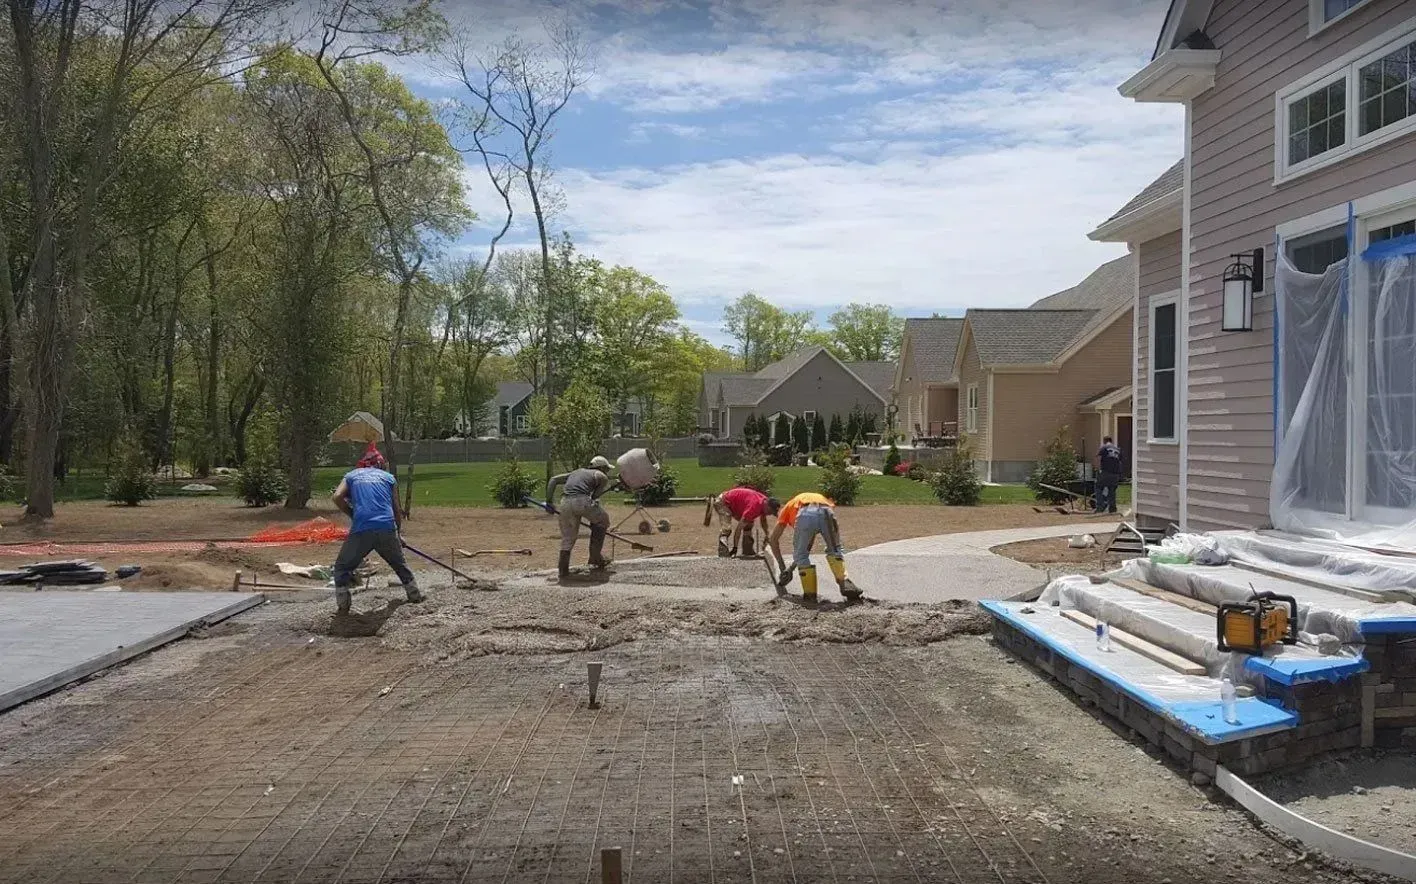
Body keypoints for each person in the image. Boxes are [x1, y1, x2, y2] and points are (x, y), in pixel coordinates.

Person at [330, 445, 422, 615]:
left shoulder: (351, 475)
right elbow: (396, 510)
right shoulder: (388, 478)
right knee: (399, 565)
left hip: (362, 528)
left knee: (342, 567)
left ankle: (343, 608)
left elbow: (336, 497)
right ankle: (415, 597)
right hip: (387, 527)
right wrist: (397, 534)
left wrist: (352, 514)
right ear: (381, 465)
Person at [767, 491, 861, 602]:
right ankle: (844, 582)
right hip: (827, 511)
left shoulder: (787, 509)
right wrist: (790, 569)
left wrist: (782, 568)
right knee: (834, 549)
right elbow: (808, 545)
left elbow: (773, 541)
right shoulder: (805, 500)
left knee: (801, 555)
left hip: (805, 513)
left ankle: (810, 594)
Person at [546, 456, 617, 579]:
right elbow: (594, 497)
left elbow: (553, 480)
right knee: (603, 520)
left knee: (568, 538)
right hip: (582, 501)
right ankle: (595, 557)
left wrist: (548, 502)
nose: (607, 472)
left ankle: (563, 571)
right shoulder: (601, 476)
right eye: (606, 469)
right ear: (601, 467)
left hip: (565, 503)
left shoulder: (576, 472)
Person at [712, 487, 781, 557]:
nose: (769, 514)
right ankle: (723, 553)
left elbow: (763, 520)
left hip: (734, 504)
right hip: (723, 501)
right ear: (767, 506)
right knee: (726, 529)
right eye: (770, 512)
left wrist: (767, 534)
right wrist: (735, 548)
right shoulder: (754, 507)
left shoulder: (765, 502)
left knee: (749, 524)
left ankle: (747, 549)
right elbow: (739, 528)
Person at [1095, 435, 1124, 514]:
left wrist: (1098, 469)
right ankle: (1112, 508)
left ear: (1104, 441)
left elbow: (1098, 458)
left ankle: (1100, 506)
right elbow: (1120, 462)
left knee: (1098, 487)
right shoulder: (1117, 449)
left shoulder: (1104, 447)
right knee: (1112, 490)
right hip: (1115, 473)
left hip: (1106, 471)